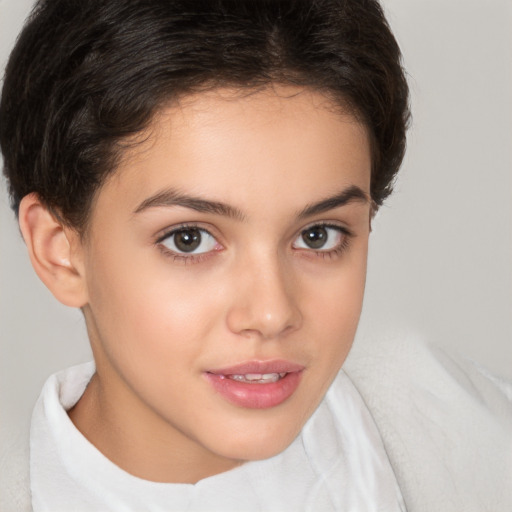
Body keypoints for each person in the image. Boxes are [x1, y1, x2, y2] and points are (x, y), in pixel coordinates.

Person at [0, 1, 510, 511]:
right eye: (189, 239)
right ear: (61, 251)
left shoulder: (473, 438)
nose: (271, 313)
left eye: (318, 235)